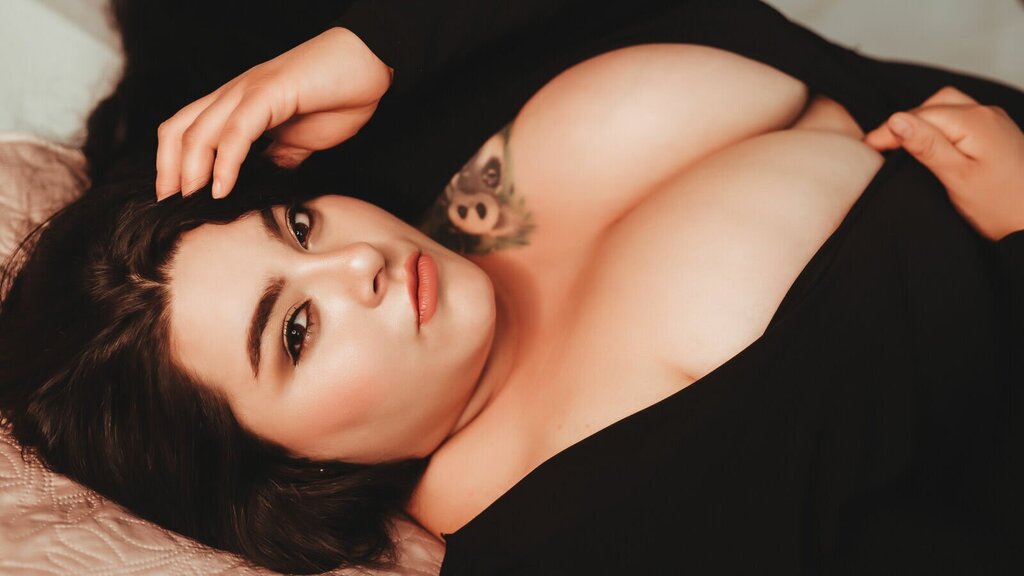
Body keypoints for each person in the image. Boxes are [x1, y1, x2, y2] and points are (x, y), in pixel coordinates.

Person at [1, 1, 1021, 574]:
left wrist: (373, 47)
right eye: (297, 331)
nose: (354, 264)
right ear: (289, 479)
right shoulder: (593, 539)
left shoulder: (388, 145)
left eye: (298, 227)